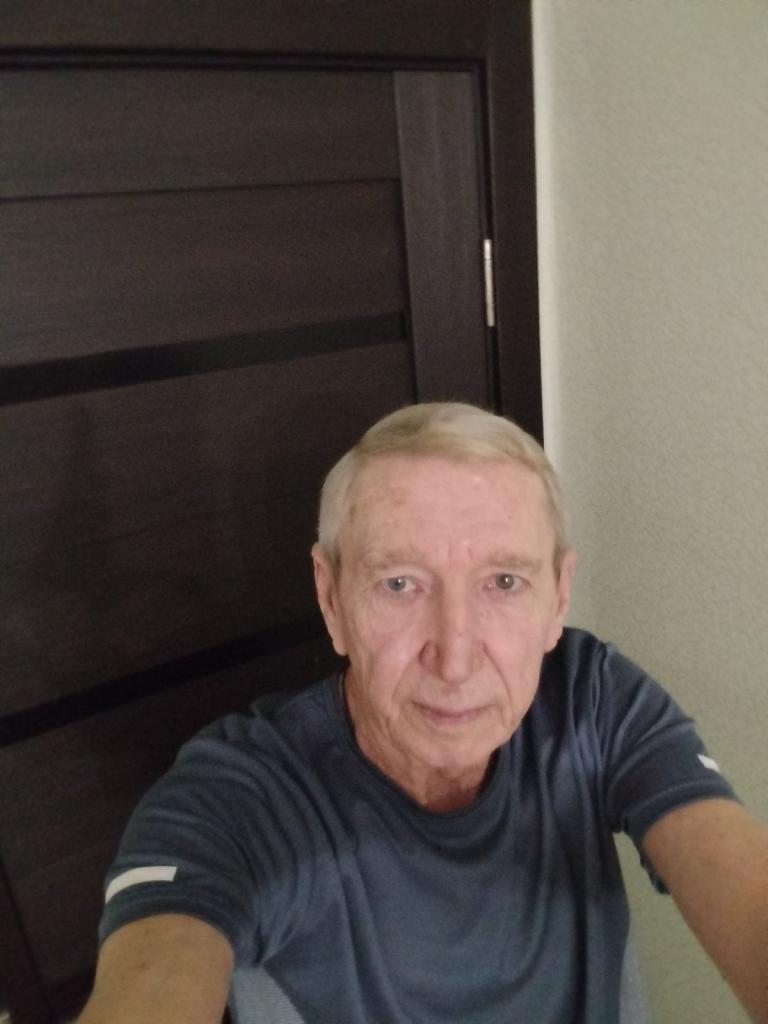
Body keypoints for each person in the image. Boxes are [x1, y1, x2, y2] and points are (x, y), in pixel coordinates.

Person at [78, 403, 767, 1024]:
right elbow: (156, 971)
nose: (455, 659)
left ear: (558, 598)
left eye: (504, 582)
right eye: (400, 583)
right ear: (331, 599)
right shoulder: (239, 797)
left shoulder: (593, 699)